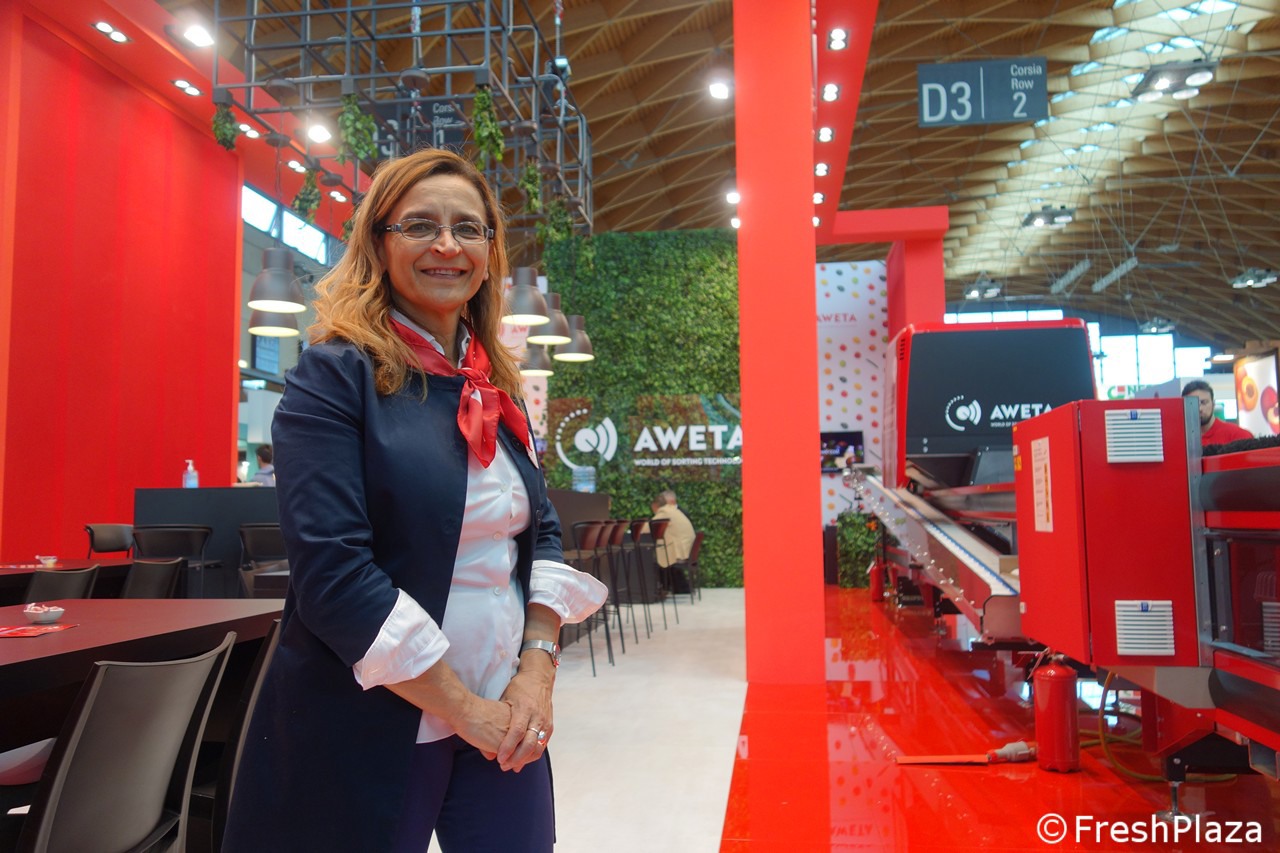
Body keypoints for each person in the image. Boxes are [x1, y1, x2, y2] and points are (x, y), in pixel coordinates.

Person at [223, 148, 606, 853]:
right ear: (379, 243)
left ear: (489, 253)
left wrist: (535, 672)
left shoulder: (495, 387)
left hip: (503, 713)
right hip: (372, 719)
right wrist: (462, 708)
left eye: (468, 229)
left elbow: (542, 534)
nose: (446, 246)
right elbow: (334, 575)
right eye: (421, 226)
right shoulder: (334, 377)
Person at [1182, 380, 1252, 446]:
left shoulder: (1238, 435)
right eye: (1192, 404)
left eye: (1204, 402)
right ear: (1184, 406)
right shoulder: (1181, 440)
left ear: (1213, 404)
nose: (1200, 409)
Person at [650, 489, 696, 578]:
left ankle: (661, 585)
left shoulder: (665, 511)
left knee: (652, 560)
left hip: (680, 553)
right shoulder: (677, 511)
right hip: (688, 551)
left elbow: (650, 525)